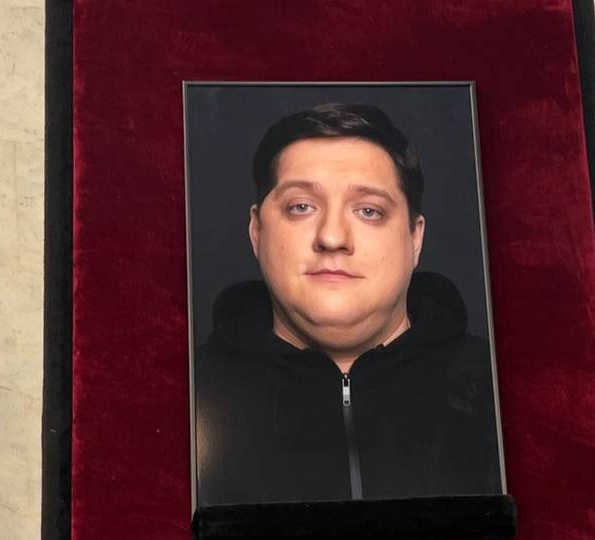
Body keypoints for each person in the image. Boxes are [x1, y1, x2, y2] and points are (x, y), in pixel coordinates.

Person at [195, 103, 502, 506]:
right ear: (256, 230)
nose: (333, 237)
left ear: (415, 238)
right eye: (301, 207)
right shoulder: (182, 395)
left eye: (369, 211)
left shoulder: (499, 391)